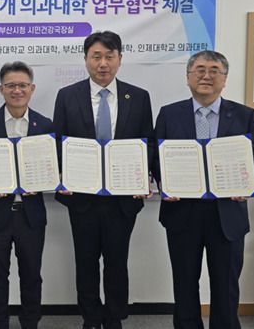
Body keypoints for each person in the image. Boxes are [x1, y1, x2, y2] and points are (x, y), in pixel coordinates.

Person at [155, 50, 254, 329]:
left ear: (224, 79)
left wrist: (246, 182)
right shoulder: (169, 114)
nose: (206, 76)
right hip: (182, 213)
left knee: (226, 287)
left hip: (227, 214)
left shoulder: (244, 115)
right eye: (200, 70)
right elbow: (156, 158)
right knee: (184, 284)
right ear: (188, 77)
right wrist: (165, 182)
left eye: (214, 70)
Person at [52, 31, 153, 329]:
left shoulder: (139, 96)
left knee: (117, 261)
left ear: (120, 59)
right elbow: (58, 143)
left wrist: (144, 177)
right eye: (96, 56)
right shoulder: (67, 96)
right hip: (82, 198)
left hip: (122, 199)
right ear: (86, 59)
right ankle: (90, 317)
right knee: (85, 262)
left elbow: (147, 142)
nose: (103, 63)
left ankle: (114, 317)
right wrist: (60, 176)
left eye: (109, 56)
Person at [0, 61, 53, 329]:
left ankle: (30, 323)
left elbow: (53, 168)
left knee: (31, 275)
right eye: (11, 85)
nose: (17, 90)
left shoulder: (45, 125)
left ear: (32, 88)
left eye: (22, 85)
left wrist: (46, 181)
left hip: (31, 215)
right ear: (1, 89)